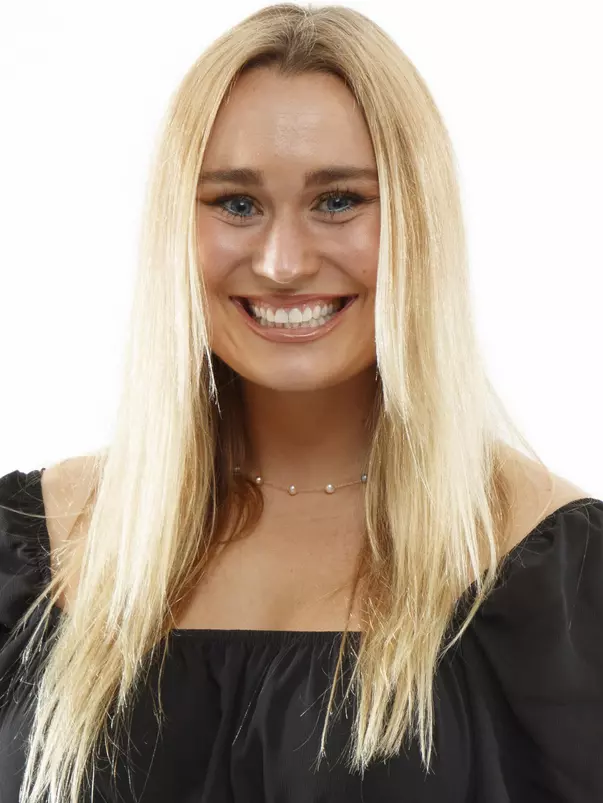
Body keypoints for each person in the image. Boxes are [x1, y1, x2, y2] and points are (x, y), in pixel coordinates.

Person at [1, 3, 601, 801]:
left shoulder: (557, 574)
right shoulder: (34, 547)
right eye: (237, 204)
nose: (283, 263)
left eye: (339, 200)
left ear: (419, 222)